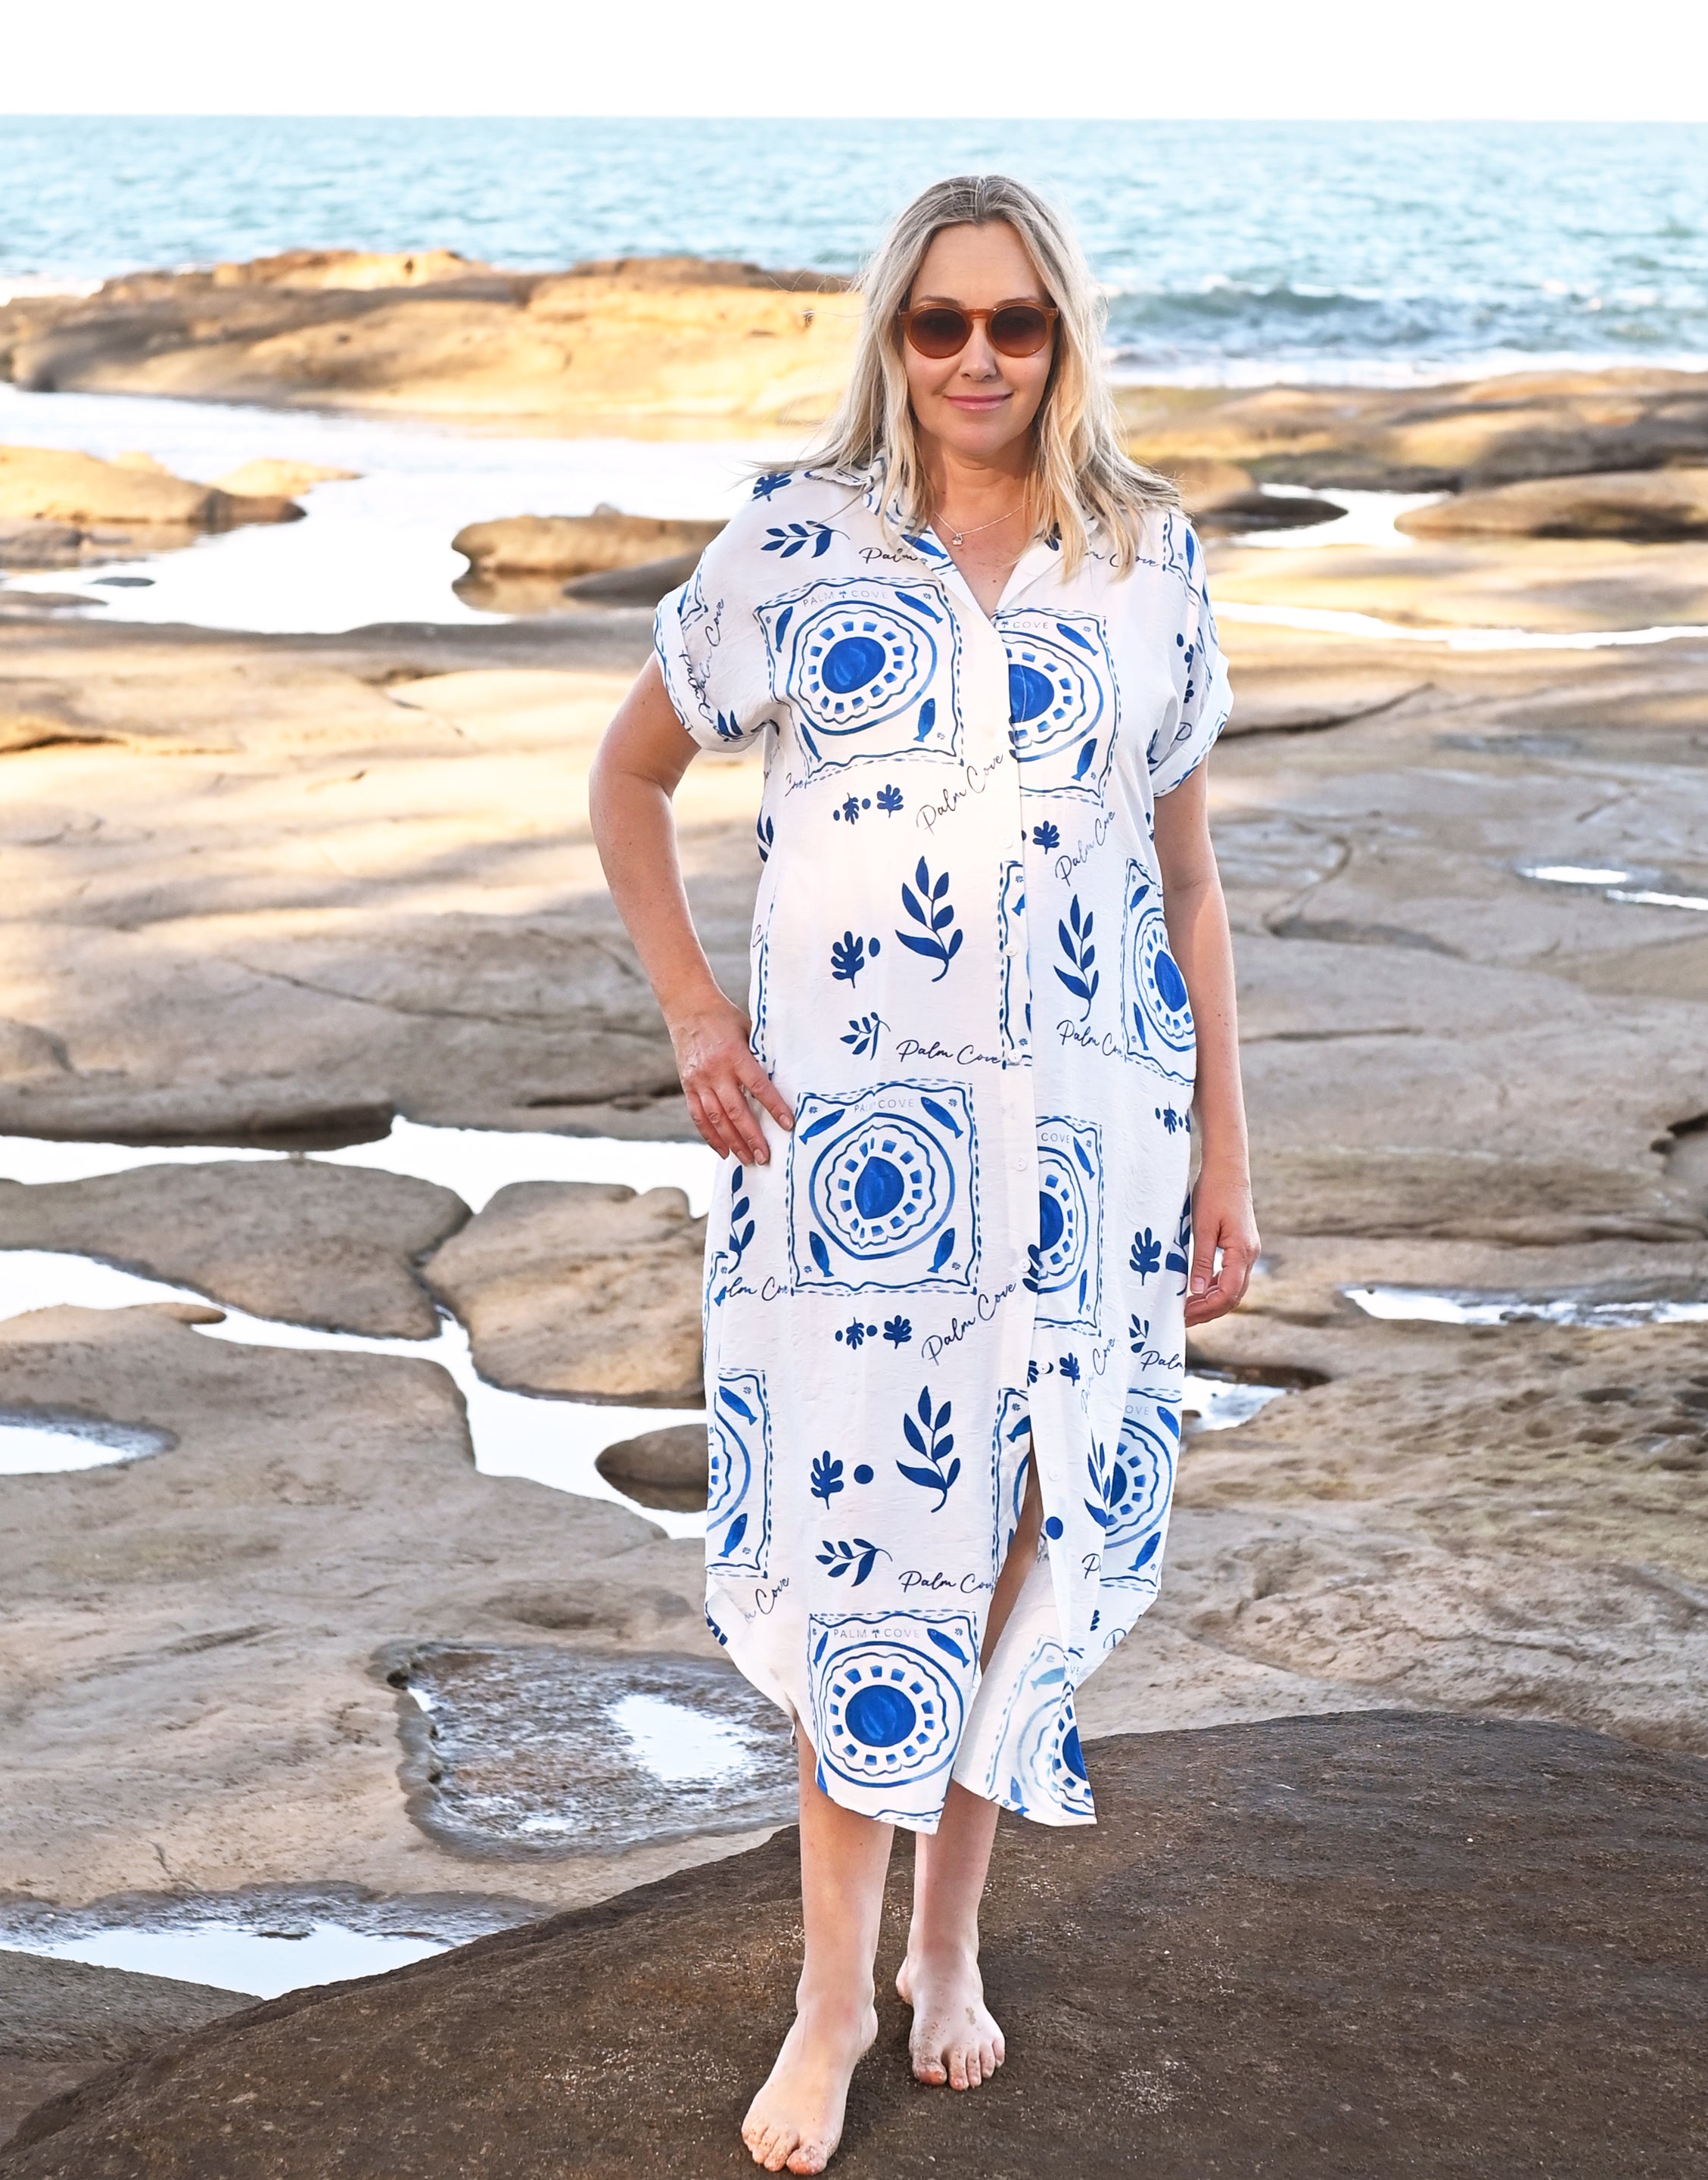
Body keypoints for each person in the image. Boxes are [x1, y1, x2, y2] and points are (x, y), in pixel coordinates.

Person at [590, 171, 1256, 2176]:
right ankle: (826, 2002)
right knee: (870, 1549)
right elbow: (630, 776)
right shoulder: (798, 542)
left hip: (1094, 1148)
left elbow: (1189, 879)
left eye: (1014, 322)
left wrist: (1227, 1154)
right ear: (892, 334)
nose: (977, 357)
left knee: (1022, 1531)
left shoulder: (1147, 559)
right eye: (939, 321)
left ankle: (943, 1948)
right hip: (852, 1161)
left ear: (1065, 339)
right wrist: (699, 1017)